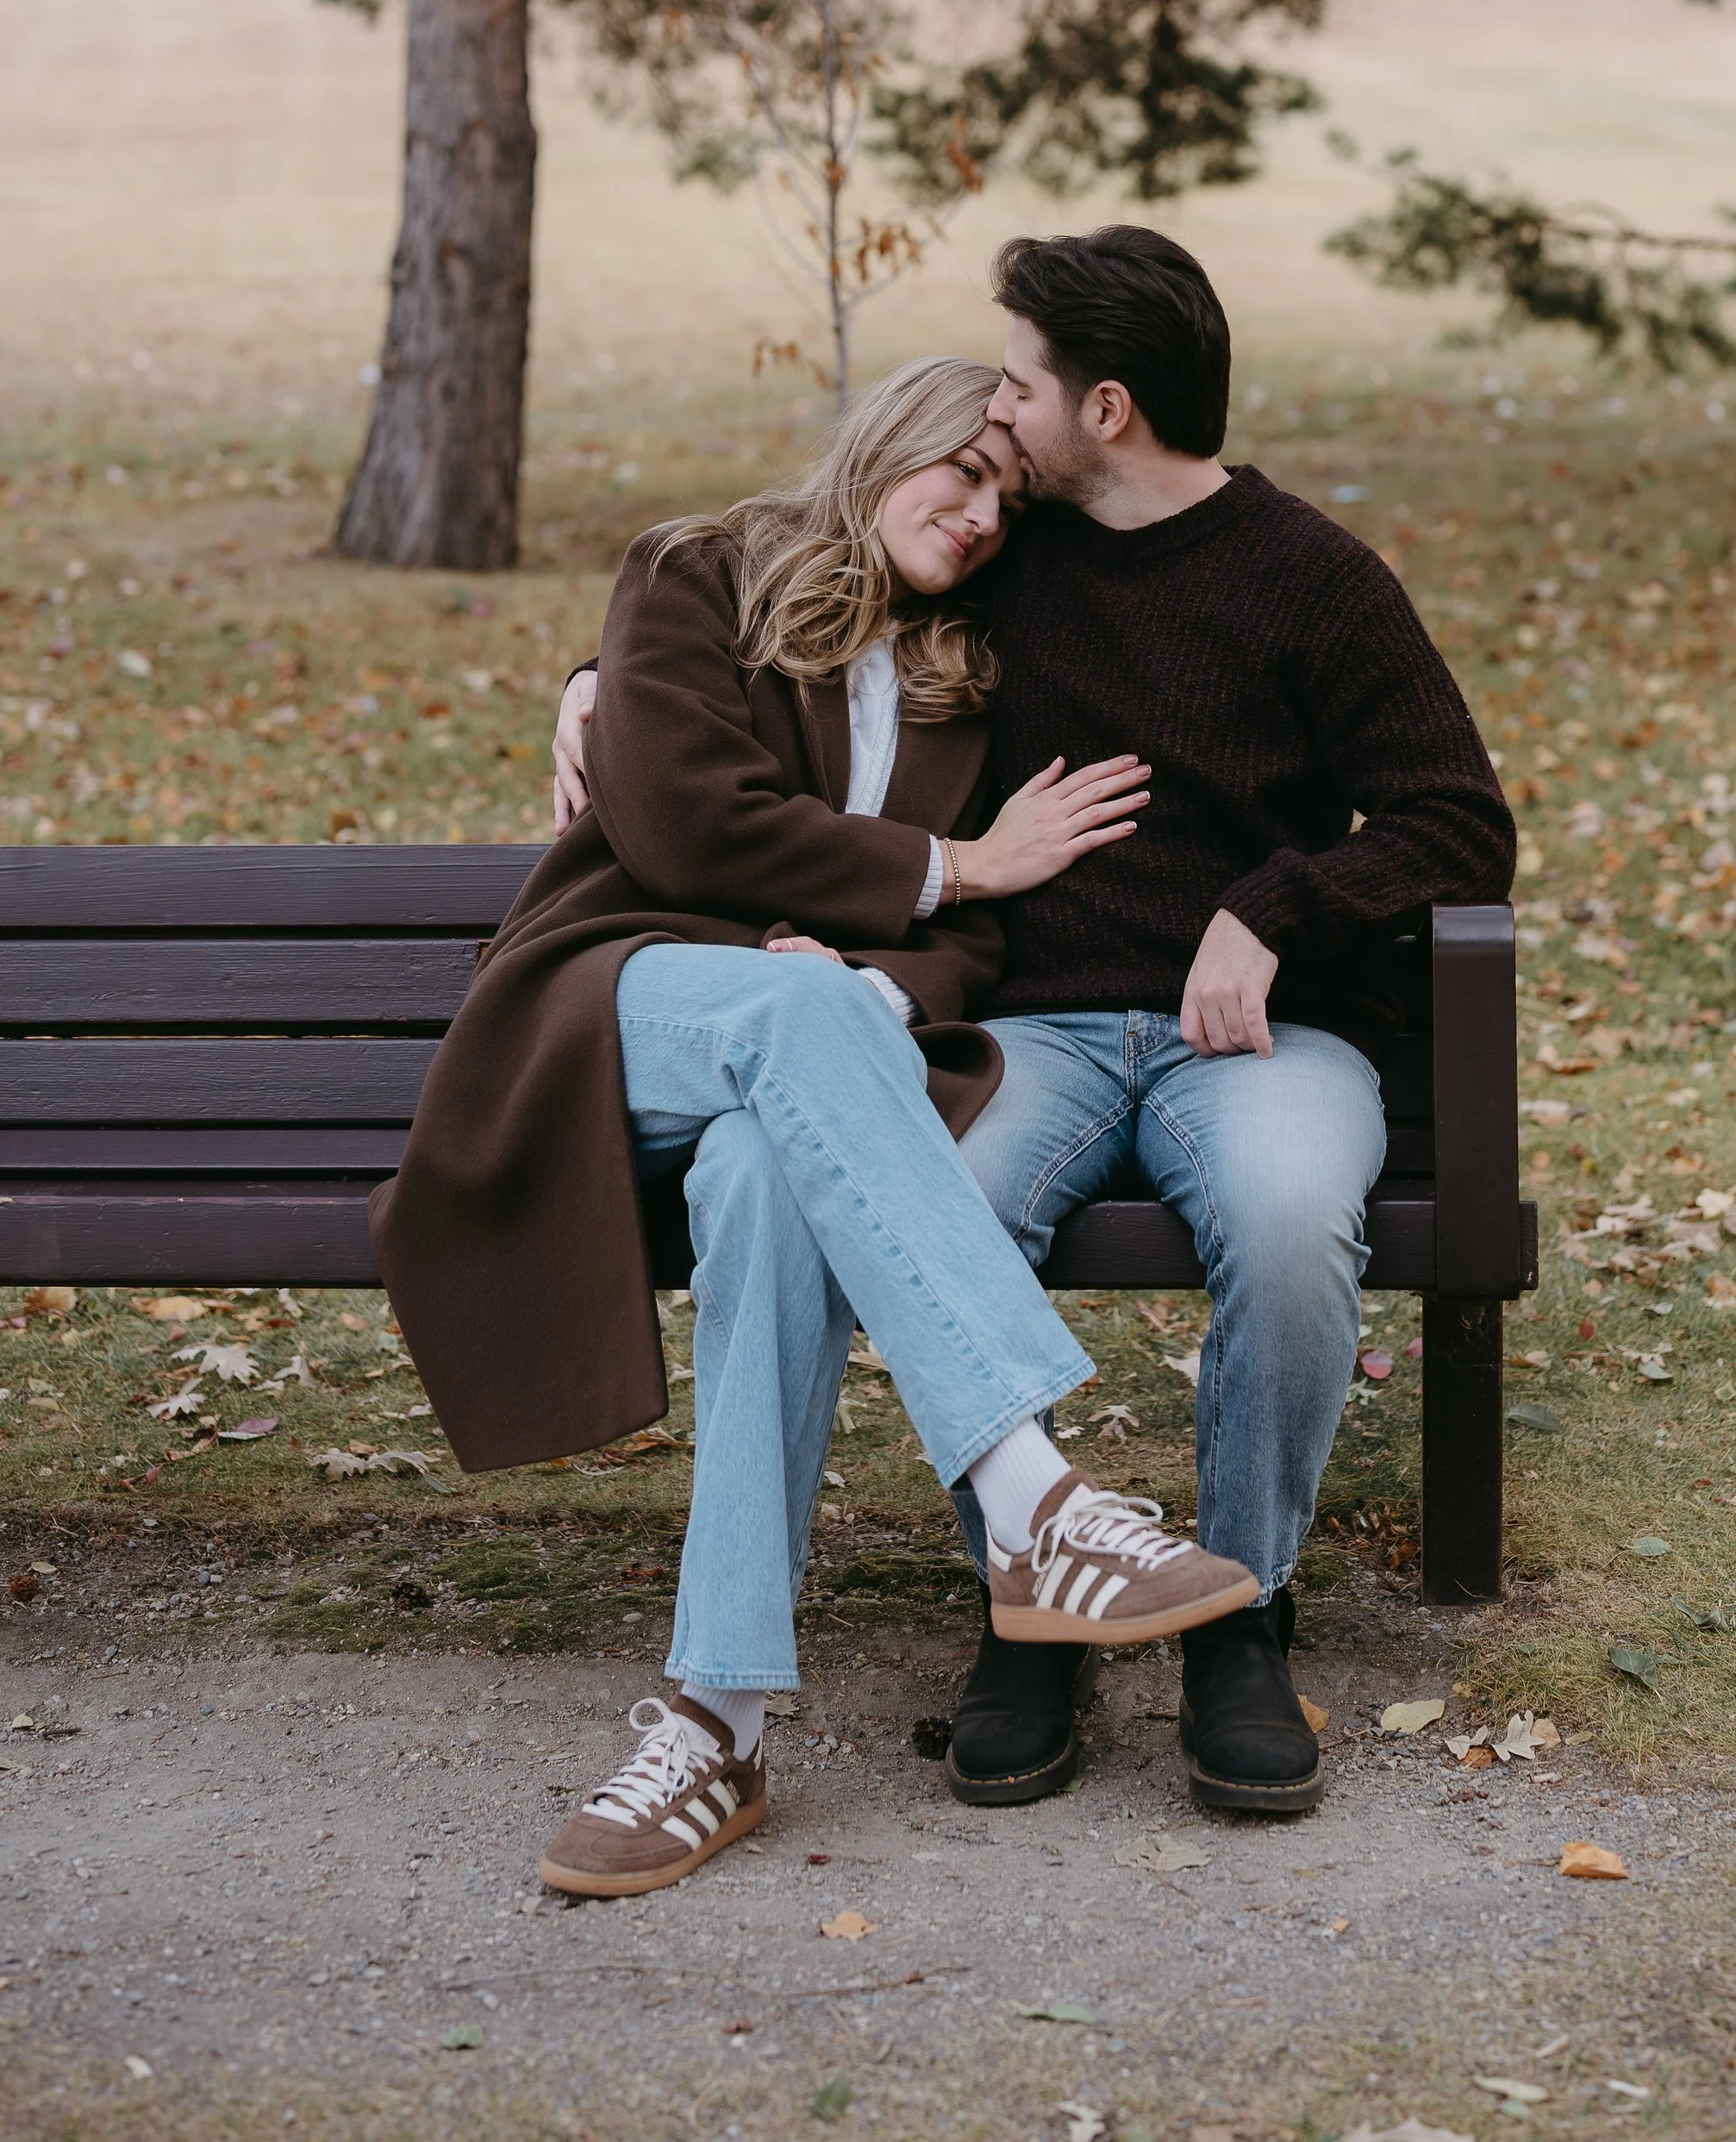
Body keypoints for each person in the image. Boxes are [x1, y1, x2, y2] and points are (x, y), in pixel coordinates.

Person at [556, 241, 1514, 1823]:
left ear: (1108, 408)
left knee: (1286, 1224)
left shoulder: (1316, 578)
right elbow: (807, 583)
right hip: (1034, 1028)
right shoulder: (1011, 552)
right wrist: (599, 680)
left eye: (1019, 383)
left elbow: (1457, 822)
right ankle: (1036, 1600)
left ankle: (1240, 1618)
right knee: (943, 1208)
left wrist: (1278, 906)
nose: (998, 418)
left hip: (1256, 1039)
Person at [378, 356, 1257, 1904]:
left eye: (1006, 497)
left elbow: (966, 970)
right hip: (607, 1016)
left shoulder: (960, 684)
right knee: (801, 1022)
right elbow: (685, 827)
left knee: (782, 1159)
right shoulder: (689, 573)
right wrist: (954, 871)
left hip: (798, 1072)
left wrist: (877, 966)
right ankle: (1034, 1497)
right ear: (891, 444)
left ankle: (712, 1720)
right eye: (963, 473)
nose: (983, 514)